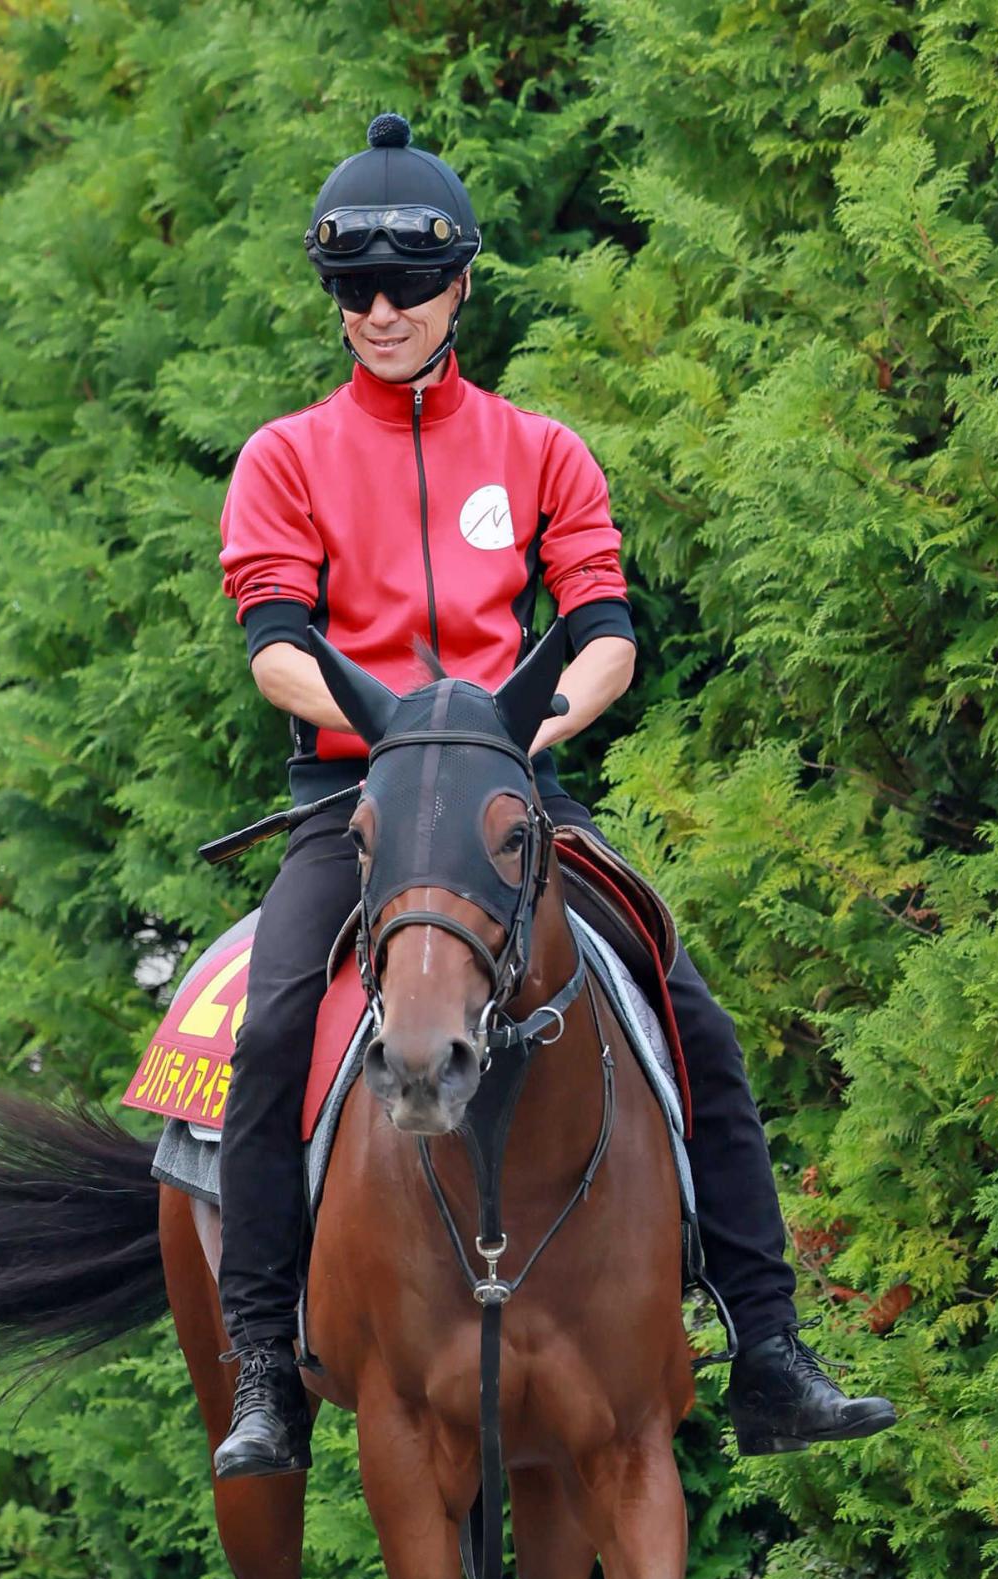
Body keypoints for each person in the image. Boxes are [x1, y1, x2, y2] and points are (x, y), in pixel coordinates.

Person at [211, 113, 895, 1477]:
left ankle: (768, 1349)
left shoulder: (540, 450)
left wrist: (527, 732)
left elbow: (605, 634)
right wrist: (398, 729)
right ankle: (264, 1376)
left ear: (463, 286)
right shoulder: (285, 456)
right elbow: (277, 647)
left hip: (516, 808)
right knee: (280, 1012)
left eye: (408, 285)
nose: (381, 311)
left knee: (691, 1008)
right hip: (353, 803)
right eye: (353, 289)